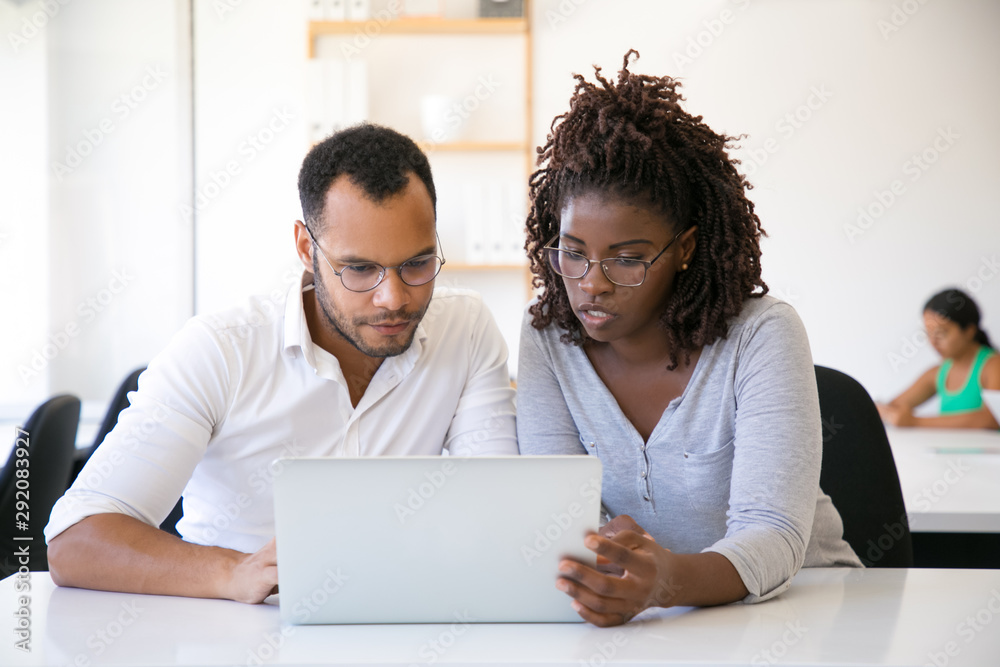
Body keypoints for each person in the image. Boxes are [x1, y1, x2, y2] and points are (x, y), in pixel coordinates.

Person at [45, 123, 517, 602]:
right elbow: (75, 541)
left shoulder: (466, 328)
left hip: (397, 625)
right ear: (306, 249)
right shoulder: (220, 350)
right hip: (234, 634)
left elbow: (501, 508)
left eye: (416, 264)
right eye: (359, 269)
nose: (393, 299)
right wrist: (233, 573)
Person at [516, 51, 861, 627]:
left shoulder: (761, 335)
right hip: (658, 628)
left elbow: (773, 533)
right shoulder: (548, 336)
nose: (591, 285)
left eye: (627, 260)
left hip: (809, 610)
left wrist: (667, 581)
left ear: (684, 248)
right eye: (572, 254)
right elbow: (560, 511)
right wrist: (608, 549)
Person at [877, 288, 999, 429]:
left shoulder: (993, 365)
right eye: (928, 333)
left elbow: (991, 419)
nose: (933, 342)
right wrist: (885, 411)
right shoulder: (939, 372)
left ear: (969, 331)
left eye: (941, 333)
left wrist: (915, 422)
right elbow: (891, 406)